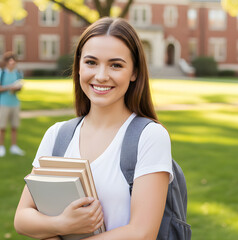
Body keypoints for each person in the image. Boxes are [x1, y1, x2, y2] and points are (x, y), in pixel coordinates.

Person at [14, 17, 173, 239]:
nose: (101, 76)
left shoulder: (150, 136)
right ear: (79, 66)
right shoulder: (57, 135)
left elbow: (142, 232)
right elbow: (22, 218)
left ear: (134, 72)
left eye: (116, 65)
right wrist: (62, 224)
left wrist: (49, 229)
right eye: (91, 62)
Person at [0, 52, 25, 157]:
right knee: (2, 127)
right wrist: (10, 87)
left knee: (14, 126)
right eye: (10, 61)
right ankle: (1, 147)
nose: (12, 63)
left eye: (13, 61)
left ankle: (14, 147)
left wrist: (18, 88)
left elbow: (19, 87)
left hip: (15, 103)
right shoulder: (2, 73)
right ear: (6, 62)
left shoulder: (18, 73)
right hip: (4, 103)